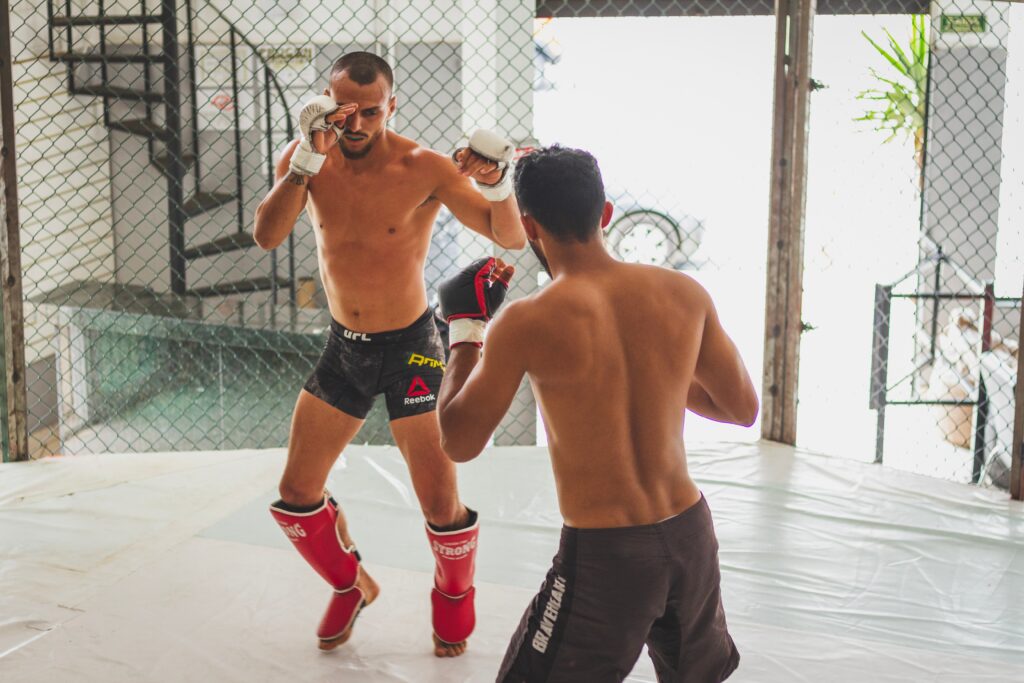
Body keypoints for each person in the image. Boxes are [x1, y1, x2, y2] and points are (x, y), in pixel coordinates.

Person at [435, 145, 758, 682]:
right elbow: (741, 408)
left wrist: (465, 332)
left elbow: (458, 441)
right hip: (690, 536)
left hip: (609, 553)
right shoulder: (683, 293)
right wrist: (657, 368)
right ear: (605, 213)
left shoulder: (525, 321)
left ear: (530, 227)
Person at [253, 51, 526, 657]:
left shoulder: (423, 167)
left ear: (391, 106)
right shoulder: (308, 161)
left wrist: (500, 183)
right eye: (344, 111)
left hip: (412, 350)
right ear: (326, 100)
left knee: (439, 502)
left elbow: (509, 235)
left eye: (370, 112)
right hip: (343, 348)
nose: (355, 125)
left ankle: (453, 597)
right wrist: (302, 161)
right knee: (296, 495)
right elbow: (267, 235)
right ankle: (351, 586)